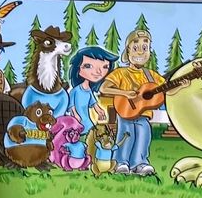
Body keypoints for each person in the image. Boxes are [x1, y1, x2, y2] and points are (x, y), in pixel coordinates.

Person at [100, 28, 165, 177]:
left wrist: (181, 84)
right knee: (126, 136)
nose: (140, 52)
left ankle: (140, 164)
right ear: (128, 51)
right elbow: (104, 88)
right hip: (125, 112)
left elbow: (167, 89)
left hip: (143, 115)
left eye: (145, 48)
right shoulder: (121, 73)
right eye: (136, 48)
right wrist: (125, 93)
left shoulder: (150, 75)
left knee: (143, 136)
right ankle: (121, 162)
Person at [68, 44, 118, 172]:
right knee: (77, 142)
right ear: (78, 69)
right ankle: (75, 160)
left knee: (90, 141)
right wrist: (75, 114)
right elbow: (71, 105)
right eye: (88, 66)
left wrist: (100, 110)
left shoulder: (89, 91)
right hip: (77, 122)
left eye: (105, 67)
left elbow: (93, 103)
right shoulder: (75, 90)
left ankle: (89, 160)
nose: (98, 72)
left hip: (87, 121)